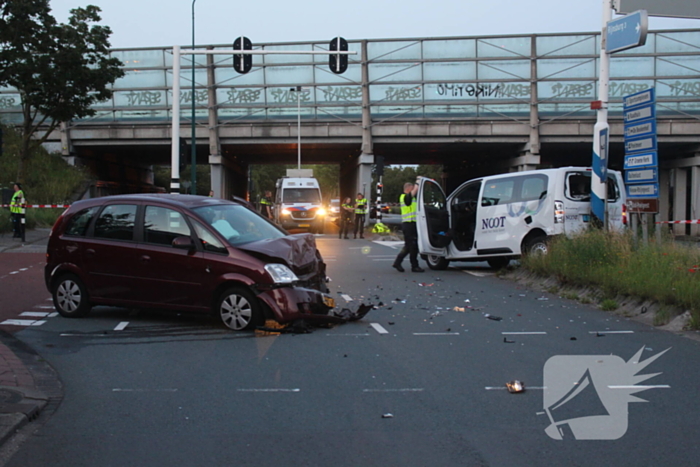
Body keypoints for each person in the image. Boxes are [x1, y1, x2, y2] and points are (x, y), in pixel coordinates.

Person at [392, 180, 424, 273]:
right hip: (408, 224)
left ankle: (398, 262)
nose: (414, 191)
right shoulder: (405, 197)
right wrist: (418, 181)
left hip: (411, 224)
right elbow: (414, 191)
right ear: (408, 189)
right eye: (412, 189)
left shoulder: (412, 198)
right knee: (412, 245)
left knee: (410, 246)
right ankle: (414, 266)